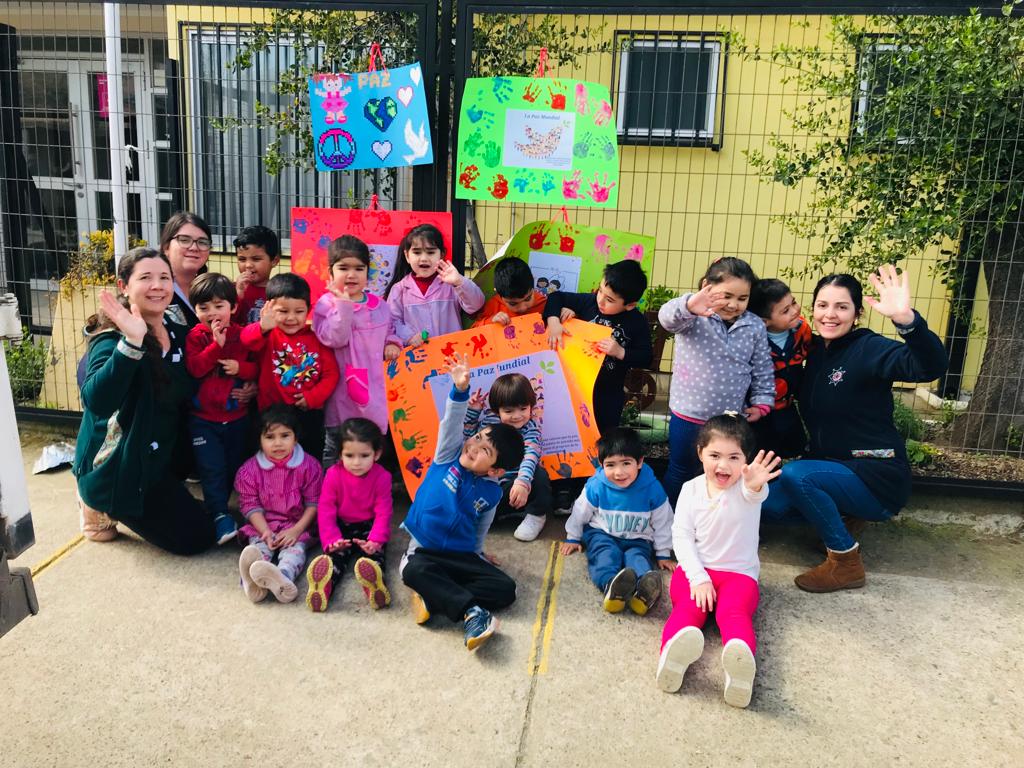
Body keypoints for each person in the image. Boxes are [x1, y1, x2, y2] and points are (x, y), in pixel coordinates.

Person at [761, 265, 947, 592]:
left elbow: (928, 366)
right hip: (832, 466)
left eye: (842, 307)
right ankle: (846, 516)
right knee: (767, 504)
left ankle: (845, 563)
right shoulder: (815, 350)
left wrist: (906, 320)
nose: (830, 314)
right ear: (812, 309)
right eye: (822, 305)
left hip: (875, 474)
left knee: (797, 477)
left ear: (857, 313)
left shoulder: (869, 348)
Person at [73, 247, 214, 554]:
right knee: (196, 539)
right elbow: (96, 400)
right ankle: (97, 504)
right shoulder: (111, 338)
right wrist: (132, 341)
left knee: (218, 518)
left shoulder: (177, 329)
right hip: (122, 466)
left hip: (159, 452)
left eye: (164, 277)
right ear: (124, 286)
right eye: (146, 278)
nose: (157, 286)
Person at [400, 353, 525, 651]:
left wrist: (478, 554)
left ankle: (434, 596)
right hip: (424, 551)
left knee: (506, 590)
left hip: (460, 557)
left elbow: (482, 525)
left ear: (495, 471)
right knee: (411, 572)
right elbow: (451, 423)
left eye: (485, 451)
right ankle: (472, 613)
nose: (474, 446)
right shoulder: (448, 457)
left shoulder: (492, 492)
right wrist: (460, 390)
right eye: (478, 437)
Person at [656, 415, 781, 709]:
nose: (723, 465)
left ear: (746, 460)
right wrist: (698, 577)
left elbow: (755, 493)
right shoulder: (691, 489)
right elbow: (682, 536)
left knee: (734, 613)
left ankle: (740, 668)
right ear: (700, 453)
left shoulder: (747, 488)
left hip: (739, 576)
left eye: (734, 457)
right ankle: (671, 658)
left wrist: (755, 485)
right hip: (695, 571)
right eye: (715, 455)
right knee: (687, 611)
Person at [658, 257, 775, 506]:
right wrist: (690, 304)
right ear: (706, 287)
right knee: (681, 470)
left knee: (726, 475)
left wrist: (762, 402)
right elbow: (666, 319)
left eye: (742, 298)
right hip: (688, 415)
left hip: (730, 421)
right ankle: (668, 521)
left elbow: (763, 367)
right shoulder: (692, 316)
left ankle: (718, 520)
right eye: (727, 296)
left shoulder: (754, 325)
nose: (733, 304)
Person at [560, 427, 675, 615]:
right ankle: (610, 586)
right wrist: (573, 537)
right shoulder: (597, 485)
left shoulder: (652, 488)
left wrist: (663, 553)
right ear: (601, 464)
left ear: (639, 462)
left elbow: (663, 521)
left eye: (626, 463)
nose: (619, 472)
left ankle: (644, 591)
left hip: (638, 538)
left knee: (638, 558)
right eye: (611, 465)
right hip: (602, 534)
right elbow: (580, 511)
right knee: (605, 556)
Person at [312, 235, 402, 465]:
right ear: (330, 272)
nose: (351, 275)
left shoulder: (379, 305)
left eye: (359, 268)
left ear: (367, 272)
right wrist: (343, 305)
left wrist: (392, 343)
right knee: (336, 449)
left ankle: (368, 486)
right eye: (343, 268)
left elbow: (390, 330)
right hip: (341, 392)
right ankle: (330, 486)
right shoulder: (326, 304)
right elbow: (335, 338)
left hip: (374, 390)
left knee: (370, 448)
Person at [184, 273, 258, 545]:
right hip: (203, 420)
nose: (212, 313)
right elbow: (195, 368)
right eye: (203, 307)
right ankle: (219, 514)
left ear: (234, 307)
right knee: (211, 467)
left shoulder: (242, 335)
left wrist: (242, 369)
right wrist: (216, 346)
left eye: (219, 306)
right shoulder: (195, 337)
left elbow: (256, 368)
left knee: (234, 466)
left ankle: (227, 509)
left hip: (237, 417)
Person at [543, 260, 654, 435]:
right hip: (575, 389)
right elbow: (556, 297)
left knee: (603, 438)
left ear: (630, 305)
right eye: (600, 291)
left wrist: (620, 352)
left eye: (609, 300)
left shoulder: (636, 322)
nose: (601, 300)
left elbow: (646, 357)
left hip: (608, 395)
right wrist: (554, 321)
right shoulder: (590, 302)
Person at [240, 272, 340, 462]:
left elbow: (331, 374)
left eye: (299, 311)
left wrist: (313, 397)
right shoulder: (267, 334)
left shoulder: (317, 338)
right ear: (269, 308)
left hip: (307, 413)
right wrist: (262, 326)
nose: (291, 318)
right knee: (271, 460)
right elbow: (246, 341)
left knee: (310, 459)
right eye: (283, 311)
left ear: (308, 309)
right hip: (270, 413)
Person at [236, 405, 323, 604]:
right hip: (263, 526)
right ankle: (252, 582)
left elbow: (314, 503)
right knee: (258, 549)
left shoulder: (309, 466)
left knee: (295, 553)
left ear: (296, 438)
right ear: (259, 440)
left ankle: (283, 578)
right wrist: (265, 532)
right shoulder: (249, 470)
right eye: (270, 437)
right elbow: (250, 506)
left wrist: (296, 530)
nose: (278, 443)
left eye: (285, 436)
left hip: (297, 525)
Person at [305, 418, 393, 612]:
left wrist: (376, 540)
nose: (356, 462)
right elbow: (326, 509)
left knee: (373, 557)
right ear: (340, 454)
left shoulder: (382, 477)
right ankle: (324, 587)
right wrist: (332, 539)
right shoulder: (333, 475)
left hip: (369, 527)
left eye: (364, 455)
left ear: (377, 454)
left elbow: (383, 512)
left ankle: (375, 587)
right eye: (349, 455)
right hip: (341, 526)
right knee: (335, 557)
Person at [464, 372, 551, 542]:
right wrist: (473, 413)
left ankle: (536, 516)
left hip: (516, 487)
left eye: (523, 409)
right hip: (488, 489)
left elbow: (530, 457)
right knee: (471, 514)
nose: (517, 416)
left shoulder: (530, 430)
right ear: (497, 410)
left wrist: (522, 482)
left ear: (531, 406)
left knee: (539, 474)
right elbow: (466, 441)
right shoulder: (488, 424)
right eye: (509, 411)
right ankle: (499, 515)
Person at [384, 223, 485, 344]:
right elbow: (392, 321)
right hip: (417, 354)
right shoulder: (399, 289)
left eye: (430, 252)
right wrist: (409, 336)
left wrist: (459, 282)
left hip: (452, 351)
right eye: (417, 252)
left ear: (441, 254)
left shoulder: (451, 283)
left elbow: (476, 305)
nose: (424, 258)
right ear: (407, 256)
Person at [748, 278, 811, 458]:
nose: (795, 311)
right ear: (764, 321)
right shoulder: (752, 342)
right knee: (762, 454)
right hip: (760, 410)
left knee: (795, 448)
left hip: (788, 405)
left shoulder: (802, 330)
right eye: (785, 311)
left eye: (793, 303)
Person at [160, 211, 213, 329]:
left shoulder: (212, 289)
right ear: (166, 247)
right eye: (184, 240)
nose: (194, 247)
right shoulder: (156, 291)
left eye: (202, 242)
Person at [472, 257, 547, 328]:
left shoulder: (543, 303)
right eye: (513, 303)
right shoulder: (494, 305)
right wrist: (491, 321)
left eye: (528, 298)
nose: (523, 308)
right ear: (499, 294)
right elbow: (473, 329)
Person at [233, 225, 281, 325]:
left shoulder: (279, 292)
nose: (248, 265)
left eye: (256, 259)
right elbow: (227, 320)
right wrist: (238, 295)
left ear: (274, 261)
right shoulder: (230, 290)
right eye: (242, 259)